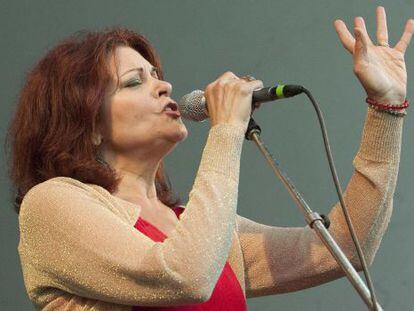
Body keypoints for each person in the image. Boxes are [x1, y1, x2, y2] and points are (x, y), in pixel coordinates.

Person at [6, 6, 413, 310]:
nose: (164, 85)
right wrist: (225, 130)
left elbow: (344, 249)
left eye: (156, 73)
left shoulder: (198, 224)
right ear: (87, 123)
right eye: (135, 81)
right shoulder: (52, 204)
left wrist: (385, 108)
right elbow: (186, 277)